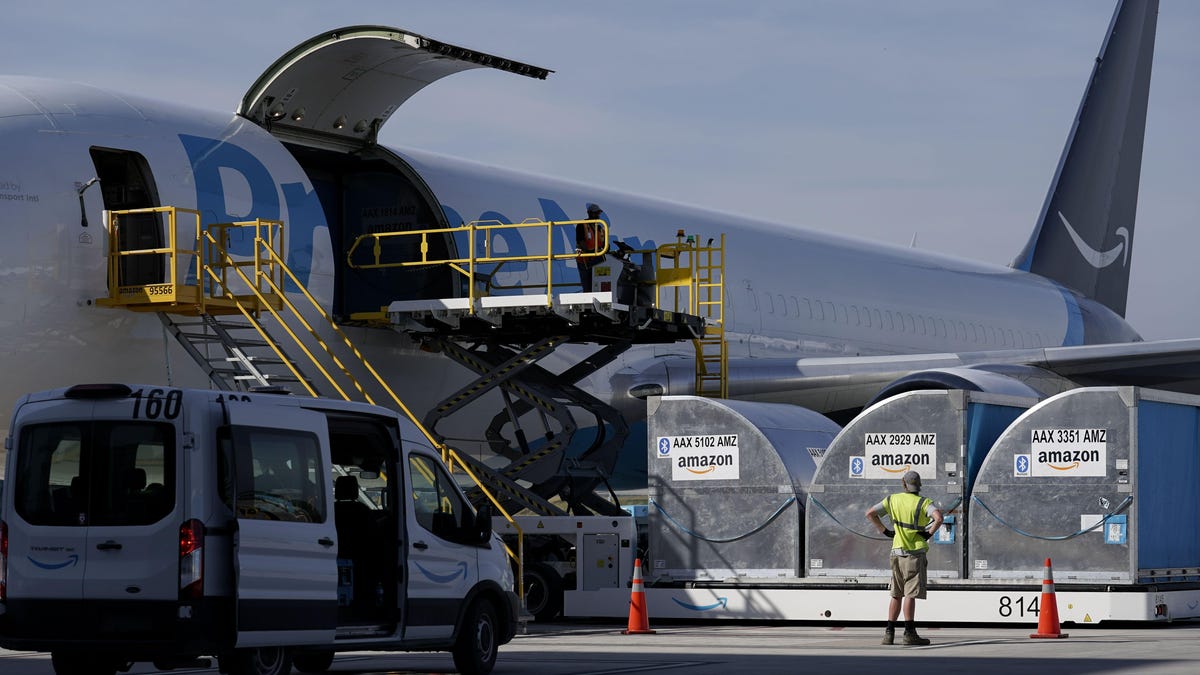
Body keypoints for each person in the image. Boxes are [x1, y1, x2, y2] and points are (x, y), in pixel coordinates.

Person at [865, 470, 944, 646]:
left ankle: (889, 633)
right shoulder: (924, 503)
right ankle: (909, 633)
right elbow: (938, 518)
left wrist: (885, 531)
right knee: (910, 593)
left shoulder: (892, 500)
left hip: (896, 551)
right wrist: (928, 534)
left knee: (896, 593)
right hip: (914, 553)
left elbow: (870, 513)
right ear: (919, 485)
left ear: (904, 484)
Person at [576, 203, 605, 292]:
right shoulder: (582, 225)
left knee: (596, 284)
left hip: (597, 260)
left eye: (598, 213)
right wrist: (589, 251)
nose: (597, 216)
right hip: (584, 260)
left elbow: (603, 243)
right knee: (587, 284)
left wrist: (604, 249)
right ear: (589, 213)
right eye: (595, 213)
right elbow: (581, 241)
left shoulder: (599, 227)